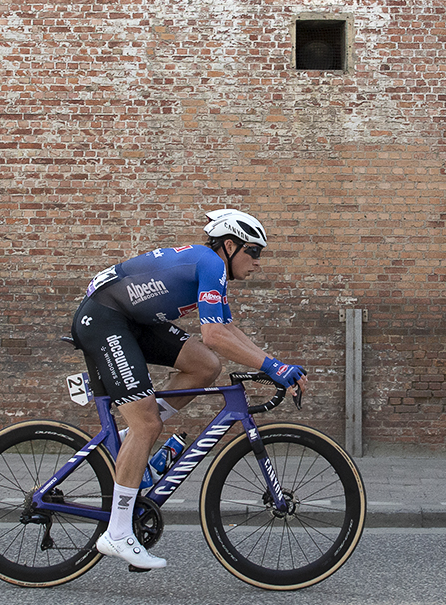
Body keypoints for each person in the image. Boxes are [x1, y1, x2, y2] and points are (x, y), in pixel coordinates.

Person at [70, 209, 309, 570]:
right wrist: (273, 367)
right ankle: (117, 533)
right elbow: (214, 336)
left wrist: (276, 365)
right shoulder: (210, 263)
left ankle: (132, 437)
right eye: (254, 252)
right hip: (105, 319)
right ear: (230, 246)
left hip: (131, 321)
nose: (258, 262)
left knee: (206, 366)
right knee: (147, 425)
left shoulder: (211, 267)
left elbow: (226, 330)